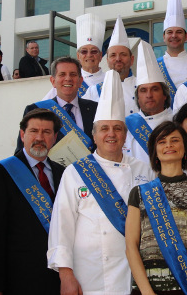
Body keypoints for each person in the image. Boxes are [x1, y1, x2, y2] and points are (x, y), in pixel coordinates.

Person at [47, 70, 155, 294]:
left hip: (135, 275)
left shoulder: (144, 170)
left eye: (117, 128)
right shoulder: (75, 172)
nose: (111, 134)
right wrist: (65, 274)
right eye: (104, 128)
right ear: (94, 135)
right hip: (90, 275)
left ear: (125, 135)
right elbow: (62, 225)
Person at [0, 108, 64, 295]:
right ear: (22, 134)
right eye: (34, 131)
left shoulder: (63, 173)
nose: (40, 137)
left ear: (54, 138)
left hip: (56, 280)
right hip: (17, 281)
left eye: (46, 132)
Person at [125, 121, 187, 295]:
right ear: (155, 152)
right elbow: (131, 245)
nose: (169, 145)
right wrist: (146, 292)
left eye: (175, 140)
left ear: (185, 149)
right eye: (162, 141)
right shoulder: (139, 193)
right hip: (148, 288)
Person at [15, 56, 98, 154]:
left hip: (86, 168)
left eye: (73, 74)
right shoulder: (35, 110)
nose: (68, 79)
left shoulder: (95, 109)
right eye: (62, 74)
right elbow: (22, 151)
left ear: (80, 81)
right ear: (53, 81)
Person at [123, 40, 173, 162]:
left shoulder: (176, 120)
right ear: (138, 98)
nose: (149, 95)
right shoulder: (127, 125)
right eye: (143, 90)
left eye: (154, 89)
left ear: (164, 95)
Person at [83, 15, 140, 116]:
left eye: (123, 54)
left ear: (132, 60)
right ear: (107, 60)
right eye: (113, 55)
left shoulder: (143, 86)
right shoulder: (94, 91)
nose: (118, 59)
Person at [43, 13, 107, 99]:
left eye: (94, 51)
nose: (89, 55)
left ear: (100, 56)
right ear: (78, 56)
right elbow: (46, 107)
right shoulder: (67, 80)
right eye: (84, 51)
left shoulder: (109, 80)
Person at [158, 0, 187, 105]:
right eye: (170, 32)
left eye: (179, 32)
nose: (174, 36)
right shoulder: (155, 66)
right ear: (164, 36)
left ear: (186, 36)